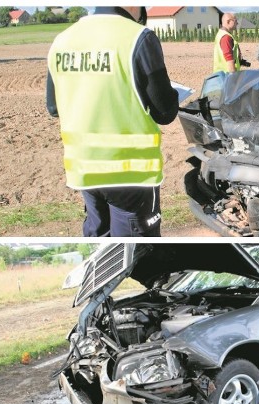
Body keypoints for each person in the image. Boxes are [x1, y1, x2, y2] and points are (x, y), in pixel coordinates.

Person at [46, 7, 178, 237]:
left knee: (103, 250)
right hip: (131, 174)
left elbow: (53, 107)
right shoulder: (138, 37)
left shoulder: (62, 40)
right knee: (139, 255)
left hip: (84, 171)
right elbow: (164, 112)